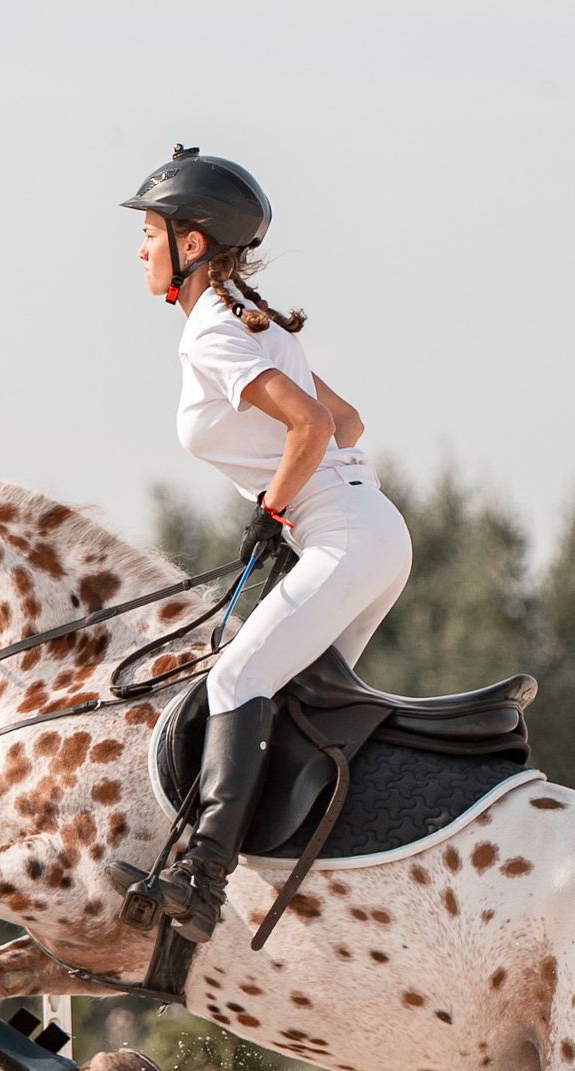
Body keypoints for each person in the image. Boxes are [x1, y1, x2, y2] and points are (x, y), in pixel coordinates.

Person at [119, 145, 413, 942]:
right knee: (296, 697)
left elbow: (316, 427)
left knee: (238, 675)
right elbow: (346, 424)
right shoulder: (245, 318)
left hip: (344, 532)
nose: (139, 248)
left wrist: (274, 507)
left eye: (150, 231)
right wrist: (292, 505)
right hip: (369, 529)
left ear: (192, 241)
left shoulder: (211, 333)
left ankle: (202, 882)